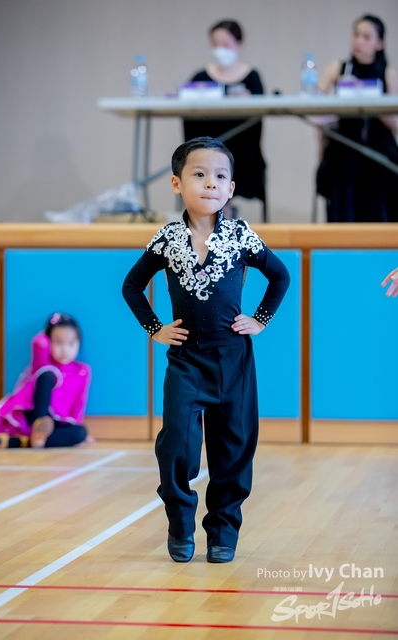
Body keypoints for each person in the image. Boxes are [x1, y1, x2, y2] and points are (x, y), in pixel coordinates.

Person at [122, 137, 290, 563]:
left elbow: (281, 276)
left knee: (233, 446)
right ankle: (180, 524)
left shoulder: (240, 235)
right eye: (199, 174)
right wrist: (155, 328)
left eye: (220, 176)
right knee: (177, 442)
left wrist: (260, 319)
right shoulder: (167, 239)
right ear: (177, 183)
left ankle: (223, 532)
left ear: (231, 188)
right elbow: (131, 286)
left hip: (233, 358)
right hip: (187, 360)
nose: (210, 183)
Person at [316, 14, 398, 223]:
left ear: (380, 43)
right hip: (344, 147)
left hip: (378, 150)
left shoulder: (388, 74)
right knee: (342, 168)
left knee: (381, 173)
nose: (359, 41)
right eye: (356, 35)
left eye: (366, 37)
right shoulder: (338, 69)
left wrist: (372, 103)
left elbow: (396, 123)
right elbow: (314, 103)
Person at [183, 20, 266, 218]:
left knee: (233, 157)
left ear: (239, 44)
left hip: (243, 150)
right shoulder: (200, 77)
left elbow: (259, 120)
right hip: (206, 148)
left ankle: (224, 211)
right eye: (215, 44)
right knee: (204, 158)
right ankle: (214, 212)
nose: (220, 50)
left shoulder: (252, 78)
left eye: (226, 45)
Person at [0, 313, 92, 448]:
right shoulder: (44, 363)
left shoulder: (83, 370)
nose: (65, 349)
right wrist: (45, 335)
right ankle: (39, 427)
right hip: (34, 416)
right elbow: (38, 342)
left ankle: (23, 442)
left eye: (71, 343)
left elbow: (79, 404)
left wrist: (78, 429)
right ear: (48, 341)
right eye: (58, 342)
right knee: (46, 376)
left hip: (57, 423)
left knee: (80, 433)